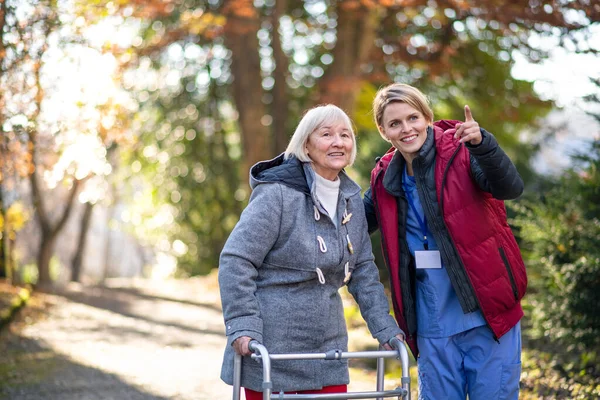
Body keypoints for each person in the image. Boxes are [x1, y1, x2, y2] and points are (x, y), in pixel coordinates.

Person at [219, 104, 404, 399]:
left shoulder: (351, 200)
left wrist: (385, 328)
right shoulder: (277, 193)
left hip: (327, 347)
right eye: (326, 134)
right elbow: (236, 259)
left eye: (345, 135)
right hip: (272, 345)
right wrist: (242, 324)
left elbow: (364, 272)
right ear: (306, 143)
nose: (338, 141)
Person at [363, 83, 527, 400]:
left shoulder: (462, 151)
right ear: (384, 131)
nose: (407, 129)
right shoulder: (384, 178)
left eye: (413, 118)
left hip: (488, 314)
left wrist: (483, 145)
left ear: (427, 116)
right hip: (431, 320)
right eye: (395, 123)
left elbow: (509, 187)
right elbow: (352, 223)